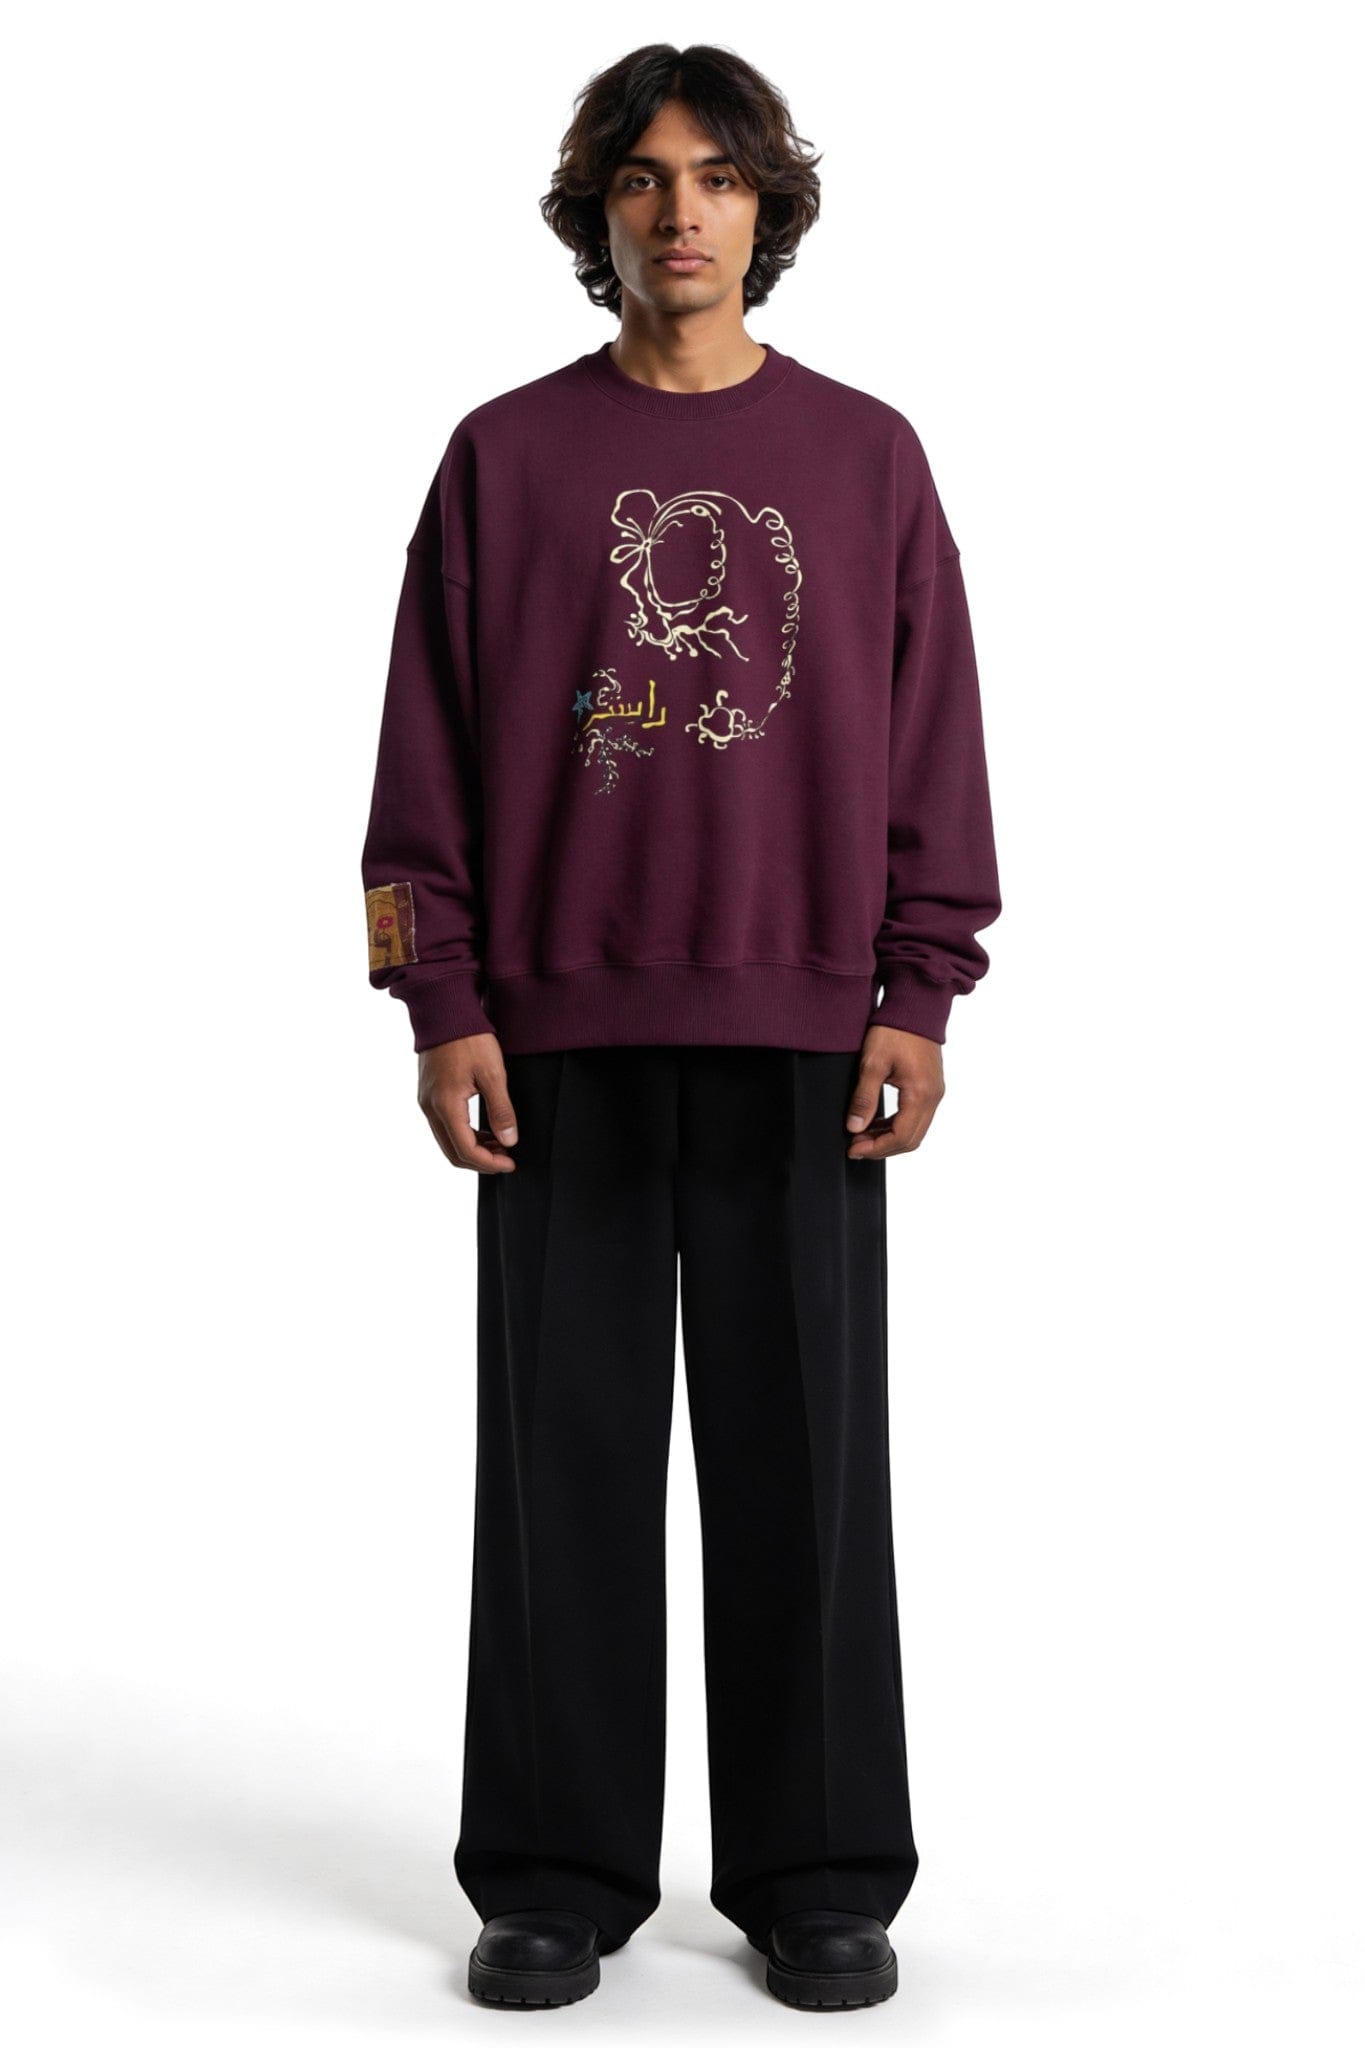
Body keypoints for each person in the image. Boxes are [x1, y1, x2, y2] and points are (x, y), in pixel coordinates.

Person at [360, 42, 1002, 2013]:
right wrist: (439, 997)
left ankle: (816, 1869)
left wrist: (921, 985)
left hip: (803, 1030)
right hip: (552, 1037)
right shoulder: (502, 457)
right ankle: (553, 1872)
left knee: (804, 1461)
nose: (680, 211)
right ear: (597, 213)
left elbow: (932, 737)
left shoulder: (866, 457)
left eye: (715, 176)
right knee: (559, 1465)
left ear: (765, 207)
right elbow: (425, 752)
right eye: (641, 178)